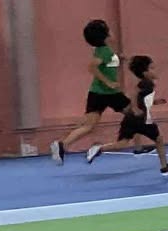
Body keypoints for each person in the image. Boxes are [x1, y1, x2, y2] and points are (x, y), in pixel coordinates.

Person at [51, 19, 129, 165]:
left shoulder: (102, 50)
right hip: (110, 93)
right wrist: (108, 82)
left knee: (88, 126)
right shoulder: (105, 51)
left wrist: (119, 58)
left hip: (96, 93)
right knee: (135, 113)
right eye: (109, 30)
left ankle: (62, 144)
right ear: (105, 35)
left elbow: (105, 63)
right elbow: (92, 67)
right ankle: (134, 144)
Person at [82, 55, 168, 175]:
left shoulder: (147, 84)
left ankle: (99, 148)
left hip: (130, 118)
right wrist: (136, 108)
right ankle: (164, 167)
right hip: (141, 119)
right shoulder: (146, 83)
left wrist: (155, 102)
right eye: (152, 68)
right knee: (159, 139)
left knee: (122, 143)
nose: (155, 71)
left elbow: (142, 99)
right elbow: (134, 94)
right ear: (145, 72)